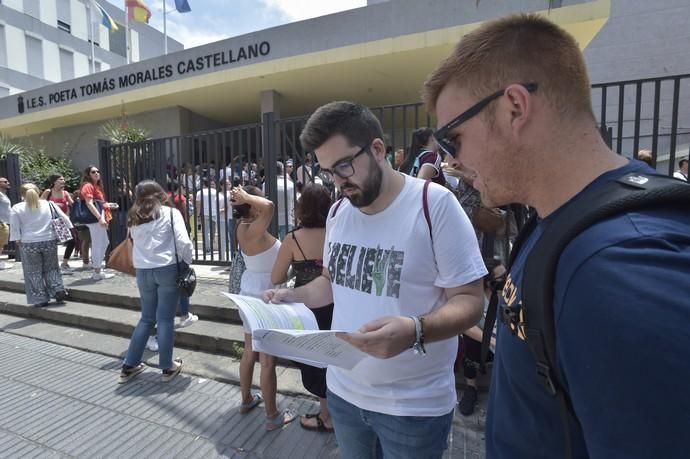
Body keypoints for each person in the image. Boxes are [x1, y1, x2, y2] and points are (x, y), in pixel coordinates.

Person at [424, 13, 690, 458]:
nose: (453, 160)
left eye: (454, 139)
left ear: (514, 108)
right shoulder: (566, 219)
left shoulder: (618, 269)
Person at [263, 101, 486, 459]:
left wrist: (415, 329)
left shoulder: (435, 205)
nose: (338, 182)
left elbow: (471, 302)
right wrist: (293, 296)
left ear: (378, 149)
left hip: (414, 408)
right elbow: (330, 283)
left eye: (344, 166)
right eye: (328, 172)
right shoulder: (338, 214)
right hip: (344, 395)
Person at [270, 184, 334, 433]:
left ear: (301, 209)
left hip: (305, 307)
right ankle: (335, 412)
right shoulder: (336, 232)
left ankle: (326, 416)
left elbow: (277, 275)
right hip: (337, 304)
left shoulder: (293, 239)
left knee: (314, 361)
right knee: (335, 359)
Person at [232, 185, 296, 431]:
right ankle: (272, 416)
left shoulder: (242, 228)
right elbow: (269, 206)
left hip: (249, 289)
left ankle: (247, 399)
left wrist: (245, 199)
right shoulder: (255, 229)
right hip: (264, 295)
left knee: (249, 351)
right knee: (267, 360)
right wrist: (248, 197)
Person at [117, 180, 192, 384]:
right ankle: (167, 367)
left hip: (143, 271)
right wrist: (187, 262)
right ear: (160, 193)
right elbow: (184, 242)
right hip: (167, 268)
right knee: (166, 319)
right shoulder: (170, 213)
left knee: (147, 318)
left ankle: (129, 365)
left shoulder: (133, 217)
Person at [9, 183, 71, 307]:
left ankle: (40, 298)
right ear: (38, 191)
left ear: (22, 194)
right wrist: (70, 228)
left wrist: (17, 239)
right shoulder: (48, 204)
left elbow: (15, 228)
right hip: (49, 240)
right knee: (52, 267)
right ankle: (57, 289)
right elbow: (64, 218)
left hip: (29, 242)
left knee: (33, 271)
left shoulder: (17, 207)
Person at [79, 165, 114, 280]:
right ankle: (97, 271)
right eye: (93, 172)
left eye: (98, 171)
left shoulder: (96, 186)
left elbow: (98, 203)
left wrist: (107, 206)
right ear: (88, 175)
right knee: (99, 243)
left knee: (104, 242)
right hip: (95, 219)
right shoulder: (88, 186)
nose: (97, 173)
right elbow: (89, 203)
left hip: (99, 217)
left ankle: (98, 269)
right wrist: (100, 218)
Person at [41, 174, 75, 273]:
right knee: (52, 243)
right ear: (54, 181)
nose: (63, 181)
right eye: (60, 179)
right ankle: (52, 265)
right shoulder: (48, 192)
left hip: (62, 221)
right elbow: (39, 204)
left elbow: (72, 204)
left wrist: (74, 202)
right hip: (50, 221)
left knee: (72, 241)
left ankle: (64, 263)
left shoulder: (65, 193)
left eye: (64, 179)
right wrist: (54, 204)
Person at [195, 179, 219, 255]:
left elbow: (198, 205)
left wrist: (198, 215)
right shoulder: (215, 192)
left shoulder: (199, 192)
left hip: (204, 213)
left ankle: (207, 248)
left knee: (205, 231)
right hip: (214, 213)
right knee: (213, 230)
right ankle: (211, 244)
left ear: (203, 185)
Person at [274, 161, 295, 239]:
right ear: (282, 170)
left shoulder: (266, 184)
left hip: (272, 220)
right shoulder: (290, 184)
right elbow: (294, 201)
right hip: (287, 219)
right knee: (285, 245)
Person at [0, 176, 11, 270]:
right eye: (5, 182)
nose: (8, 183)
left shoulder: (4, 194)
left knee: (1, 244)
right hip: (1, 223)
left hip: (4, 223)